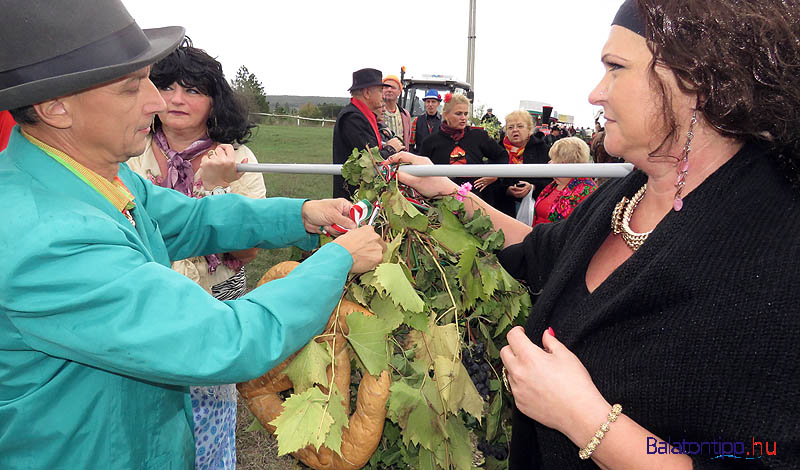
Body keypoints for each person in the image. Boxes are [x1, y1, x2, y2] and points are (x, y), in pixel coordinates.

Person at [386, 0, 800, 468]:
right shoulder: (630, 191)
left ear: (697, 83)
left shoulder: (778, 242)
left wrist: (586, 420)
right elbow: (537, 251)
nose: (595, 94)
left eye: (616, 68)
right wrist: (446, 192)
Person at [0, 2, 385, 468]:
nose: (157, 101)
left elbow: (191, 219)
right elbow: (224, 341)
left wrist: (302, 214)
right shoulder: (47, 238)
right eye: (131, 87)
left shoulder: (95, 175)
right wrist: (337, 259)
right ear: (56, 107)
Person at [126, 39, 264, 470]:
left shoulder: (238, 160)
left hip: (212, 301)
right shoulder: (128, 151)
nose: (177, 100)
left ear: (213, 101)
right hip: (143, 301)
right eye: (167, 87)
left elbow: (248, 248)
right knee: (144, 410)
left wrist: (217, 188)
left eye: (193, 89)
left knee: (208, 415)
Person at [420, 93, 508, 210]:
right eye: (458, 113)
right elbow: (422, 172)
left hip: (477, 202)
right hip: (442, 203)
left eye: (466, 114)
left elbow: (502, 156)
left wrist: (494, 175)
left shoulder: (479, 136)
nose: (463, 118)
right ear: (446, 115)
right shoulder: (430, 142)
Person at [332, 68, 403, 199]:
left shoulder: (360, 116)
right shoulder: (352, 118)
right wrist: (391, 148)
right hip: (353, 198)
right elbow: (370, 161)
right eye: (380, 90)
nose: (384, 95)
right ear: (367, 93)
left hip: (359, 195)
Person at [497, 110, 552, 217]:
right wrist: (506, 190)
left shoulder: (543, 150)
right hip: (503, 209)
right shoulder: (497, 150)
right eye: (510, 127)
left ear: (529, 130)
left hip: (535, 209)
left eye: (520, 126)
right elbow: (489, 182)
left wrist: (533, 187)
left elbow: (552, 181)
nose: (515, 130)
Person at [532, 137, 597, 226]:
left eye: (553, 159)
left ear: (563, 162)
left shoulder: (587, 192)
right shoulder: (554, 185)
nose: (549, 163)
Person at [381, 75, 411, 147]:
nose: (389, 90)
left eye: (393, 87)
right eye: (386, 87)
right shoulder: (375, 113)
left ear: (399, 92)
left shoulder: (405, 115)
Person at [409, 89, 442, 153]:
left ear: (438, 103)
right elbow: (411, 143)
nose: (430, 104)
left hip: (438, 160)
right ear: (425, 103)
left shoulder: (444, 122)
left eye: (433, 102)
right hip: (421, 159)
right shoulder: (416, 121)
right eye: (428, 101)